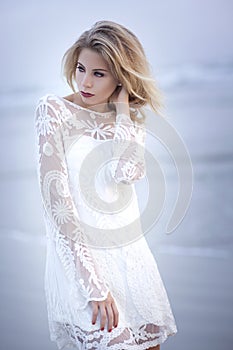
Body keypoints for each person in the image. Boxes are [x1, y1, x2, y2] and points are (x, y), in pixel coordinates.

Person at [35, 20, 177, 350]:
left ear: (120, 78)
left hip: (131, 258)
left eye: (99, 74)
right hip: (82, 267)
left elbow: (129, 172)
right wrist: (93, 285)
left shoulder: (127, 119)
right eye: (82, 68)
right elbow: (57, 204)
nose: (85, 81)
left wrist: (124, 114)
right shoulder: (53, 110)